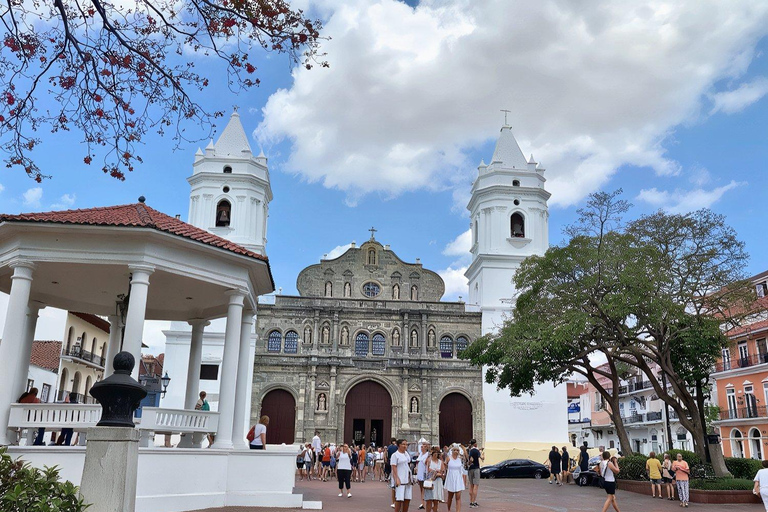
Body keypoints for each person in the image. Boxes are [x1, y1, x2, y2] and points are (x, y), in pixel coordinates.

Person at [391, 439, 414, 512]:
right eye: (403, 444)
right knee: (399, 499)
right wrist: (396, 478)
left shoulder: (406, 454)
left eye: (406, 444)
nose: (405, 446)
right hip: (400, 479)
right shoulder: (395, 455)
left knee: (407, 499)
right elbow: (394, 467)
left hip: (408, 478)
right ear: (399, 445)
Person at [445, 445, 466, 512]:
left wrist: (463, 449)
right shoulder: (449, 458)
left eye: (457, 450)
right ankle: (449, 509)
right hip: (451, 477)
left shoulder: (460, 459)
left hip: (458, 478)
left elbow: (464, 466)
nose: (456, 451)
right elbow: (445, 465)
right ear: (452, 451)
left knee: (458, 497)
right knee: (450, 496)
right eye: (454, 450)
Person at [424, 446, 445, 512]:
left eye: (437, 453)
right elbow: (428, 470)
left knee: (436, 500)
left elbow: (442, 472)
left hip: (438, 481)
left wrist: (439, 473)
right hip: (431, 481)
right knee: (429, 500)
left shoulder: (440, 462)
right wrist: (436, 472)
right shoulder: (429, 460)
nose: (436, 454)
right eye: (434, 452)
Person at [467, 440, 483, 508]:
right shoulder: (477, 451)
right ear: (475, 444)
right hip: (476, 468)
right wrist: (482, 453)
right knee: (475, 486)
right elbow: (482, 458)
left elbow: (470, 460)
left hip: (470, 469)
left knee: (471, 486)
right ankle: (473, 502)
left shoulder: (469, 450)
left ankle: (471, 501)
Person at [416, 442, 431, 509]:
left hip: (425, 473)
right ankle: (422, 503)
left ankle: (427, 502)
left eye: (423, 447)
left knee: (426, 488)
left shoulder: (428, 455)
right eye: (421, 447)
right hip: (420, 472)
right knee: (421, 488)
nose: (422, 448)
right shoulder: (421, 454)